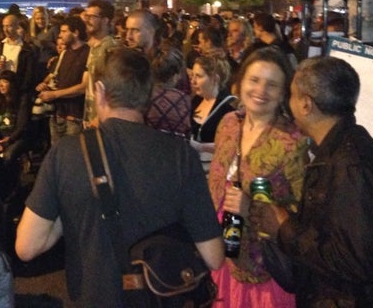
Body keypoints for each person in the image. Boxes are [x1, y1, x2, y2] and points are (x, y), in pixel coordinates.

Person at [15, 47, 224, 307]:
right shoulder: (181, 156)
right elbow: (214, 256)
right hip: (161, 297)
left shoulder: (66, 153)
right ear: (150, 95)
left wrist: (72, 207)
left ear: (99, 91)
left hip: (93, 298)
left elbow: (27, 246)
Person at [250, 56, 373, 306]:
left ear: (306, 105)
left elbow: (354, 259)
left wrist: (285, 228)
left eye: (292, 95)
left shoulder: (350, 164)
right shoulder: (339, 149)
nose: (288, 103)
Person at [207, 46, 308, 307]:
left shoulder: (291, 140)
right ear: (240, 83)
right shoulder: (228, 124)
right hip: (222, 254)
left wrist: (250, 206)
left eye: (272, 85)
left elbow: (301, 209)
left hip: (264, 268)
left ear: (283, 93)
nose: (261, 91)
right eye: (254, 80)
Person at [36, 16, 89, 144]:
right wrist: (47, 87)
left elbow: (84, 87)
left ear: (75, 32)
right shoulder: (64, 54)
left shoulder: (88, 53)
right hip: (58, 114)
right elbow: (58, 80)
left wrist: (54, 94)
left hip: (75, 116)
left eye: (64, 31)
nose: (60, 35)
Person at [189, 55, 236, 174]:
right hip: (195, 168)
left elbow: (231, 146)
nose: (193, 81)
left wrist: (201, 147)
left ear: (215, 79)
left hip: (215, 170)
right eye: (192, 75)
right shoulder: (196, 100)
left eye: (199, 76)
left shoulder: (229, 107)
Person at [144, 43, 192, 138]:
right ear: (175, 76)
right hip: (175, 149)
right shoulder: (183, 99)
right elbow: (186, 134)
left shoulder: (144, 95)